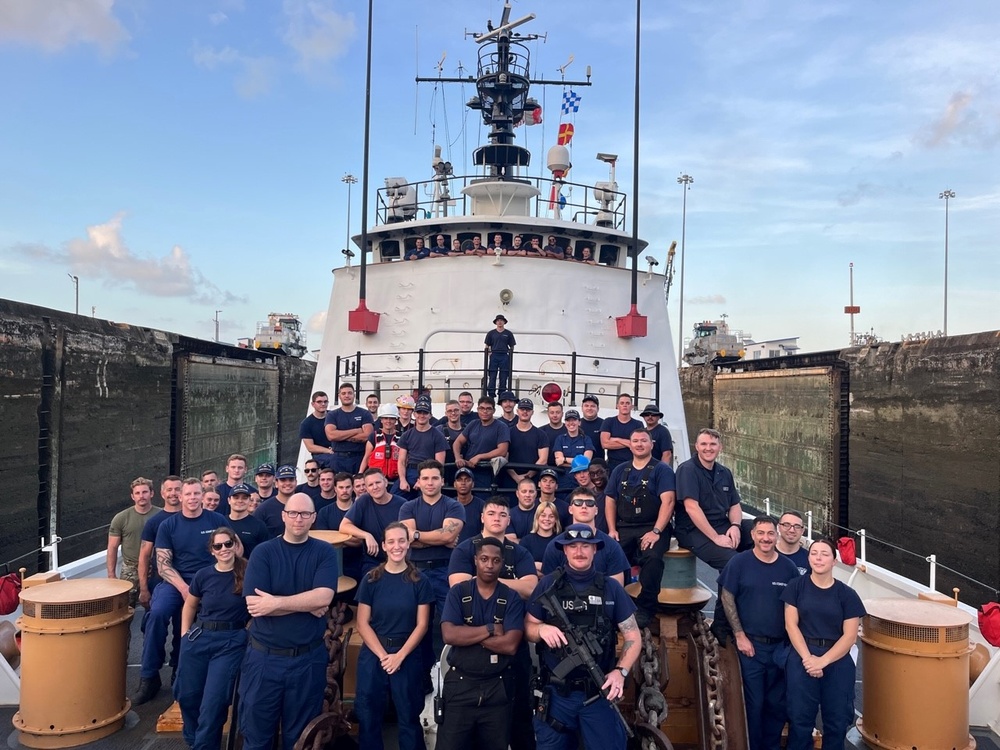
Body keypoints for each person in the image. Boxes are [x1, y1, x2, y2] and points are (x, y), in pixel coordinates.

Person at [526, 524, 641, 750]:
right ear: (565, 551)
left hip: (598, 693)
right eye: (573, 546)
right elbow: (529, 625)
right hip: (557, 694)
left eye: (585, 546)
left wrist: (620, 672)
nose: (579, 551)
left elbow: (633, 636)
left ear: (595, 550)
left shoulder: (610, 587)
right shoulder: (548, 584)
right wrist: (541, 630)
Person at [238, 493, 339, 750]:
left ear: (313, 518)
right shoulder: (263, 553)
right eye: (293, 513)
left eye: (305, 514)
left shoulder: (324, 552)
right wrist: (307, 605)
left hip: (307, 661)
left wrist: (276, 602)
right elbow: (254, 605)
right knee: (257, 737)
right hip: (264, 661)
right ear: (283, 515)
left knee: (300, 739)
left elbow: (324, 596)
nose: (299, 518)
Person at [135, 478, 231, 705]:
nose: (192, 498)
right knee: (157, 614)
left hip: (209, 581)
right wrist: (186, 590)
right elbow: (163, 564)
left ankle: (182, 670)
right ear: (181, 497)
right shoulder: (168, 526)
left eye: (196, 494)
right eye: (187, 494)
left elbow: (230, 550)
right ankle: (149, 675)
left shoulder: (217, 520)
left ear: (202, 495)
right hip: (175, 581)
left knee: (192, 623)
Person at [718, 516, 799, 750]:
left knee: (777, 705)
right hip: (751, 647)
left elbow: (796, 605)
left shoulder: (789, 568)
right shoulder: (739, 563)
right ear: (753, 535)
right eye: (761, 533)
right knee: (754, 705)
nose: (766, 538)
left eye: (770, 533)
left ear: (777, 535)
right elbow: (726, 596)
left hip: (781, 649)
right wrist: (740, 635)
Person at [438, 537, 526, 750]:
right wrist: (489, 629)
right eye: (484, 559)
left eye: (496, 560)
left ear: (502, 563)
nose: (489, 565)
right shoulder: (459, 592)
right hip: (460, 686)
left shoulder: (512, 597)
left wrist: (468, 636)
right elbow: (449, 635)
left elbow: (510, 645)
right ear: (475, 560)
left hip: (498, 688)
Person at [355, 522, 433, 750]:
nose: (396, 546)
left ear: (408, 544)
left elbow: (422, 625)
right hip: (374, 655)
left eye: (401, 541)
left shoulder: (420, 581)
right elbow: (362, 622)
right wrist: (383, 655)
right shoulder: (371, 579)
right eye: (391, 541)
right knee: (369, 717)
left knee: (409, 718)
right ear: (383, 545)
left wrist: (399, 656)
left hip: (406, 655)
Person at [782, 538, 866, 750]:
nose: (818, 558)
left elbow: (849, 636)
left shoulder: (848, 595)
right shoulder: (796, 587)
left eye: (825, 554)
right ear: (808, 558)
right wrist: (808, 659)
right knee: (800, 722)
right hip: (803, 657)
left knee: (836, 723)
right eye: (814, 553)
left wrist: (823, 661)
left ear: (834, 561)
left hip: (836, 662)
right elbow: (791, 625)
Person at [174, 527, 249, 750]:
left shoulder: (249, 572)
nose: (224, 549)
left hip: (230, 641)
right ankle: (193, 739)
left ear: (235, 545)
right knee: (187, 696)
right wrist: (185, 635)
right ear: (212, 550)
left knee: (213, 703)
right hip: (199, 637)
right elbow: (190, 604)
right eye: (218, 546)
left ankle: (204, 746)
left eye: (228, 544)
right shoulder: (203, 575)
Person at [399, 460, 466, 684]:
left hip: (446, 571)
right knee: (415, 624)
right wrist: (433, 538)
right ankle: (420, 678)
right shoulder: (408, 507)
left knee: (448, 622)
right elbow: (407, 540)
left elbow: (447, 536)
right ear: (417, 482)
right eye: (425, 478)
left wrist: (417, 535)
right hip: (415, 572)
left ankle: (448, 675)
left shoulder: (454, 506)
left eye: (434, 478)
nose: (430, 482)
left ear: (442, 481)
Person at [604, 428, 676, 627]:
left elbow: (668, 502)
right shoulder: (620, 471)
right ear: (630, 444)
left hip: (652, 527)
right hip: (624, 527)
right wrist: (612, 529)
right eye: (635, 440)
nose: (639, 444)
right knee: (609, 557)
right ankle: (611, 604)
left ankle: (646, 607)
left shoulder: (662, 470)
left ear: (651, 444)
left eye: (643, 440)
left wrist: (656, 532)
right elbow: (610, 500)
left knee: (652, 559)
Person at [541, 487, 630, 584]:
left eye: (589, 503)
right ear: (570, 509)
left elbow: (616, 589)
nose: (584, 506)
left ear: (596, 510)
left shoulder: (612, 546)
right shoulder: (555, 545)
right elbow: (548, 587)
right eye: (578, 502)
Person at [107, 477, 162, 608]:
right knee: (124, 608)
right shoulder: (121, 518)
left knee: (155, 606)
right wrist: (111, 575)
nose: (141, 496)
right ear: (132, 496)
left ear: (152, 493)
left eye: (145, 492)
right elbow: (112, 548)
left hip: (155, 568)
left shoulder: (161, 515)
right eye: (137, 493)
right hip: (130, 570)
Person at [340, 468, 407, 574]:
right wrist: (366, 535)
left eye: (378, 482)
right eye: (370, 485)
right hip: (372, 561)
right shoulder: (364, 501)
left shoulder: (402, 504)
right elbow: (344, 526)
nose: (375, 487)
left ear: (385, 482)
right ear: (366, 488)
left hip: (398, 559)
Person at [452, 396, 510, 490]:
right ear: (478, 410)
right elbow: (457, 442)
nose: (485, 411)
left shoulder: (501, 427)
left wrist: (479, 457)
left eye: (488, 409)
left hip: (487, 473)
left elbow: (502, 450)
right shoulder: (473, 424)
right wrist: (458, 458)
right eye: (482, 408)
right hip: (468, 471)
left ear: (494, 411)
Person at [396, 395, 448, 498]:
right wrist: (402, 480)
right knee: (394, 497)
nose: (422, 415)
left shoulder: (438, 436)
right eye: (419, 412)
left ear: (430, 415)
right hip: (409, 472)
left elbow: (439, 464)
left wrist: (423, 481)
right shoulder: (407, 435)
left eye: (425, 413)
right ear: (414, 414)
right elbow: (401, 461)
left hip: (428, 473)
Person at [324, 382, 375, 475]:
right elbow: (331, 435)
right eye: (343, 393)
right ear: (339, 396)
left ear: (354, 395)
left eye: (349, 393)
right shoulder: (332, 415)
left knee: (360, 488)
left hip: (359, 457)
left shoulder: (365, 414)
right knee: (340, 488)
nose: (347, 396)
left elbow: (367, 436)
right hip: (338, 458)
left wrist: (341, 436)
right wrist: (357, 430)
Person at [504, 398, 548, 488]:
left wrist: (527, 476)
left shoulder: (541, 434)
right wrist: (515, 477)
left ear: (532, 412)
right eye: (522, 409)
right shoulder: (507, 433)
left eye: (528, 410)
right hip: (510, 482)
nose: (525, 412)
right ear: (517, 411)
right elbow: (504, 457)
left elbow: (543, 459)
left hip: (534, 482)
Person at [552, 408, 594, 490]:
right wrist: (578, 462)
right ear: (565, 423)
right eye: (568, 420)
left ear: (579, 422)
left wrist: (564, 459)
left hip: (581, 481)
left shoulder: (586, 439)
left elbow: (586, 462)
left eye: (574, 420)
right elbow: (558, 462)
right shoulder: (560, 439)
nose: (571, 423)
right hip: (563, 480)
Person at [253, 465, 299, 537]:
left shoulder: (304, 505)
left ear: (296, 482)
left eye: (291, 479)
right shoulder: (263, 509)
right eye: (283, 480)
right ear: (276, 483)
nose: (287, 483)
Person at [600, 394, 643, 471]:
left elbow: (637, 445)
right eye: (622, 403)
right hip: (612, 465)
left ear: (632, 406)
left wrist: (615, 439)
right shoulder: (609, 422)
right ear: (617, 406)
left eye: (627, 403)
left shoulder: (638, 424)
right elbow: (605, 444)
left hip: (632, 464)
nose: (625, 405)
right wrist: (629, 443)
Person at [227, 483, 270, 558]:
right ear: (229, 500)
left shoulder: (259, 525)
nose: (240, 501)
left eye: (244, 498)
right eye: (236, 497)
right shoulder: (221, 521)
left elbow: (265, 553)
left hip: (249, 568)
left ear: (249, 501)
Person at [361, 404, 401, 483]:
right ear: (381, 420)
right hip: (375, 478)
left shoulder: (402, 437)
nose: (388, 421)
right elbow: (366, 457)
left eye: (392, 418)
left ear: (396, 420)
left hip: (396, 479)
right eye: (385, 418)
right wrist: (360, 474)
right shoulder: (374, 436)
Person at [519, 500, 562, 572]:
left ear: (556, 520)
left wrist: (541, 566)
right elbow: (522, 566)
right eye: (543, 515)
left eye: (551, 516)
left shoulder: (560, 541)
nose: (547, 519)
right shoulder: (526, 541)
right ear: (537, 518)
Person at [300, 391, 334, 467]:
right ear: (313, 404)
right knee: (335, 460)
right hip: (321, 455)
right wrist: (328, 451)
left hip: (338, 450)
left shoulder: (334, 416)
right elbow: (310, 447)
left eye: (325, 401)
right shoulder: (306, 424)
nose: (323, 404)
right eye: (319, 402)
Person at [484, 315, 516, 398]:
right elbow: (487, 345)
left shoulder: (508, 333)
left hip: (504, 356)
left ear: (504, 322)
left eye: (501, 320)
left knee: (504, 375)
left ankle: (502, 393)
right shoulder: (491, 333)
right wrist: (489, 353)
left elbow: (512, 345)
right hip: (494, 355)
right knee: (492, 375)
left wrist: (510, 353)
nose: (500, 322)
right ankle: (491, 393)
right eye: (498, 320)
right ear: (496, 322)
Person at [450, 467, 485, 543]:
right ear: (454, 484)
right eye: (459, 480)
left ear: (473, 484)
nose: (463, 483)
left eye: (467, 480)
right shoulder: (448, 505)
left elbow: (485, 532)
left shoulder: (482, 506)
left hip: (474, 548)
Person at [777, 511, 810, 575]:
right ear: (779, 527)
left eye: (797, 526)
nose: (792, 530)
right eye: (786, 525)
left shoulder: (810, 559)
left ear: (802, 531)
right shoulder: (766, 554)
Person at [538, 401, 567, 466]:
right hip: (545, 469)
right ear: (548, 414)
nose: (555, 415)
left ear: (562, 414)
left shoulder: (569, 431)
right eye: (552, 413)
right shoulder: (540, 431)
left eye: (558, 412)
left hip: (565, 468)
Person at [580, 394, 604, 461]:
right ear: (582, 408)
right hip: (579, 465)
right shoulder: (576, 424)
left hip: (598, 465)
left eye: (593, 406)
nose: (589, 408)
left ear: (598, 409)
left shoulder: (604, 424)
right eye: (586, 406)